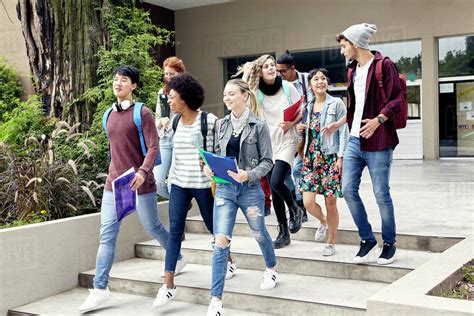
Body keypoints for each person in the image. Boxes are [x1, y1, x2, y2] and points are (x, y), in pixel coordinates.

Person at [79, 65, 186, 312]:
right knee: (107, 235)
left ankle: (176, 255)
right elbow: (115, 151)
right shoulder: (108, 114)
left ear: (133, 86)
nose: (118, 83)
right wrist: (113, 174)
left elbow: (153, 147)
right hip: (115, 185)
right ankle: (100, 288)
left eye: (124, 80)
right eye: (116, 79)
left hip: (140, 182)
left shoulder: (142, 113)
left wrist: (142, 172)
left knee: (152, 226)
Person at [153, 73, 233, 307]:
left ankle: (228, 259)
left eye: (173, 97)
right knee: (175, 230)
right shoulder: (175, 122)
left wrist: (211, 163)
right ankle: (168, 285)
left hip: (202, 185)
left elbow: (221, 151)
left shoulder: (209, 121)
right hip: (179, 184)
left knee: (213, 227)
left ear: (185, 99)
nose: (169, 101)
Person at [203, 79, 277, 316]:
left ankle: (271, 268)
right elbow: (215, 154)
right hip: (225, 189)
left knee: (259, 233)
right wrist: (209, 168)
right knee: (220, 241)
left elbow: (268, 161)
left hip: (250, 190)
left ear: (245, 96)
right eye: (225, 94)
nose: (227, 98)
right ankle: (215, 300)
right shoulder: (222, 124)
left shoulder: (259, 125)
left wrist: (249, 175)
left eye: (231, 93)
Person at [336, 23, 402, 265]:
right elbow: (355, 106)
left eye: (344, 46)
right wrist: (339, 125)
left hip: (379, 141)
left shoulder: (384, 66)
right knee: (347, 190)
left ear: (355, 44)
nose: (342, 51)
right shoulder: (352, 70)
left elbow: (397, 99)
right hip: (354, 140)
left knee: (381, 194)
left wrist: (379, 120)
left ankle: (389, 243)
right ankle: (367, 239)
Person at [238, 54, 304, 249]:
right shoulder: (256, 92)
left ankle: (294, 208)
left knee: (276, 181)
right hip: (268, 145)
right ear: (260, 71)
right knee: (275, 190)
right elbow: (244, 101)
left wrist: (291, 123)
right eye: (266, 66)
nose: (271, 68)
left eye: (272, 65)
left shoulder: (288, 87)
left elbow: (301, 111)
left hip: (287, 141)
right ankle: (284, 233)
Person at [296, 68, 349, 256]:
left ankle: (331, 242)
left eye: (323, 78)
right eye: (316, 79)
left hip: (330, 157)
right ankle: (323, 221)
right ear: (310, 84)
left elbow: (344, 132)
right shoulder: (307, 106)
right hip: (311, 158)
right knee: (308, 202)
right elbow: (302, 133)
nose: (320, 81)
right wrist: (299, 128)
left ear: (328, 83)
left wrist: (341, 158)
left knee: (331, 202)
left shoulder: (336, 104)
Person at [276, 50, 312, 223]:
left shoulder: (307, 80)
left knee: (298, 169)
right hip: (286, 134)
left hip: (306, 132)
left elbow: (310, 106)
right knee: (284, 173)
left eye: (283, 71)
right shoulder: (278, 84)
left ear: (292, 69)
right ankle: (298, 205)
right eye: (278, 71)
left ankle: (301, 207)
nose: (280, 75)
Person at [153, 57, 186, 199]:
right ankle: (181, 203)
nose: (168, 77)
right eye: (166, 74)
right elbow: (157, 120)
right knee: (157, 183)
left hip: (181, 139)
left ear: (180, 73)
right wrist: (161, 121)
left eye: (171, 74)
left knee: (173, 182)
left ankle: (178, 211)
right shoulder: (162, 92)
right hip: (165, 139)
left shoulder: (187, 91)